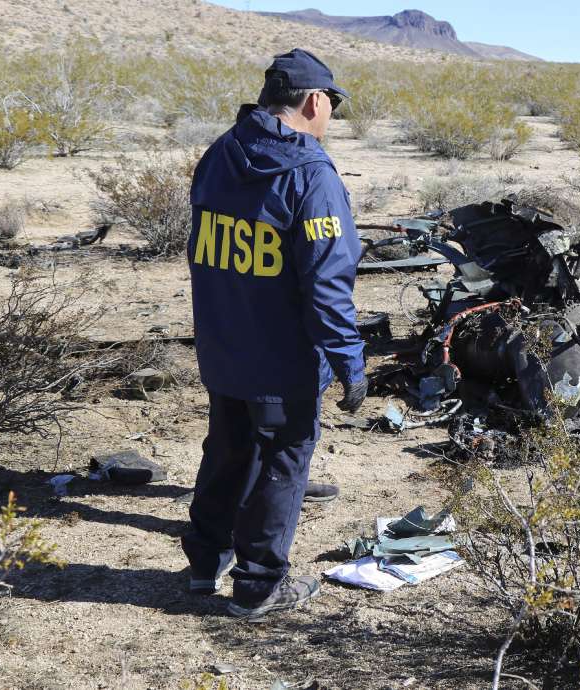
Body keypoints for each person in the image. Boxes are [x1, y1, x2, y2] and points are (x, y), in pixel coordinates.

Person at [181, 48, 367, 620]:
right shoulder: (311, 176)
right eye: (331, 103)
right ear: (315, 101)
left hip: (222, 341)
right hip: (282, 355)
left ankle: (205, 560)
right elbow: (326, 282)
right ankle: (260, 584)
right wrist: (349, 361)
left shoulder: (220, 153)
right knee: (284, 459)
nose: (330, 114)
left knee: (229, 447)